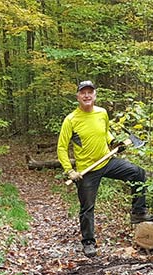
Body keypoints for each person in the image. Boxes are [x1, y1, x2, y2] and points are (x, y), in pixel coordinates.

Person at [57, 80, 148, 257]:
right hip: (87, 170)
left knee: (138, 173)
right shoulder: (71, 120)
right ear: (78, 96)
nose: (87, 95)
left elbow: (105, 133)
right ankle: (88, 242)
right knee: (87, 207)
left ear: (95, 95)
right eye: (83, 92)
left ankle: (138, 212)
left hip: (107, 162)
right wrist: (70, 170)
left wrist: (115, 143)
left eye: (90, 92)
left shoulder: (102, 113)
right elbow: (61, 147)